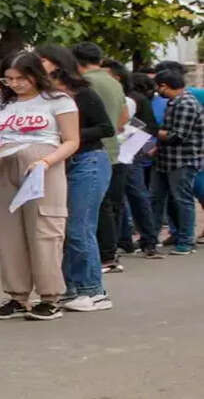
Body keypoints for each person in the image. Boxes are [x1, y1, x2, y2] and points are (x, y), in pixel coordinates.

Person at [0, 52, 79, 321]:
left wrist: (46, 162)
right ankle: (17, 295)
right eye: (8, 79)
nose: (15, 84)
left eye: (21, 78)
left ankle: (50, 297)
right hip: (5, 163)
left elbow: (72, 140)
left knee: (45, 229)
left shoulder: (58, 100)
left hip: (43, 164)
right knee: (9, 232)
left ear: (36, 75)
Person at [36, 45, 116, 311]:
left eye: (42, 60)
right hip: (61, 163)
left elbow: (106, 128)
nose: (37, 64)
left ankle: (93, 291)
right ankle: (69, 288)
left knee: (79, 227)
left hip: (88, 161)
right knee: (62, 228)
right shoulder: (42, 96)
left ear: (58, 63)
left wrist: (70, 136)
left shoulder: (83, 93)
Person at [72, 42, 129, 273]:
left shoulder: (83, 84)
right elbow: (124, 117)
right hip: (112, 149)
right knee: (107, 205)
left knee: (94, 208)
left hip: (89, 149)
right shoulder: (114, 82)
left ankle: (105, 256)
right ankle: (110, 253)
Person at [151, 70, 203, 255]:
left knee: (182, 200)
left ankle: (186, 241)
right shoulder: (175, 102)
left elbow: (177, 136)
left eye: (158, 87)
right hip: (166, 159)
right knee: (159, 199)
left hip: (182, 160)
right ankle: (154, 238)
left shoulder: (186, 103)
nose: (157, 91)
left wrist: (154, 132)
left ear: (164, 86)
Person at [118, 73, 163, 257]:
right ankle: (125, 240)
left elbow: (149, 126)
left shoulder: (134, 99)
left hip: (129, 150)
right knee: (120, 197)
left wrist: (134, 146)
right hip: (122, 149)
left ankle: (148, 239)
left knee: (135, 194)